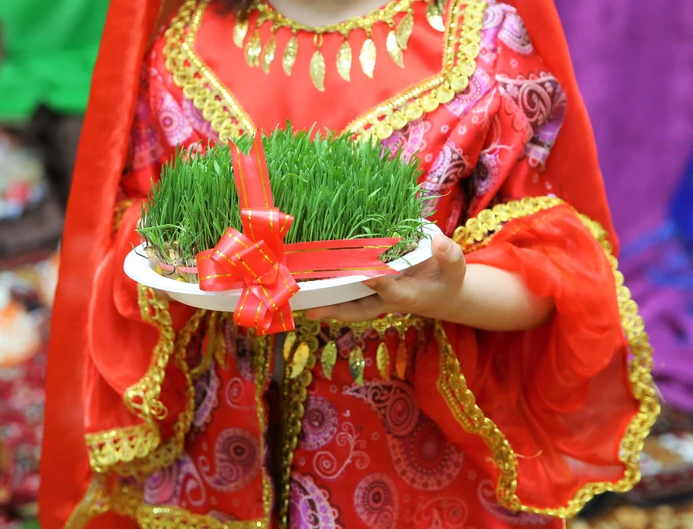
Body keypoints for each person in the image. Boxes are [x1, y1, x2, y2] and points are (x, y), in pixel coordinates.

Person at [39, 0, 659, 527]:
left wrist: (452, 293)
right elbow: (140, 232)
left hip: (410, 456)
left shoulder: (483, 44)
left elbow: (552, 275)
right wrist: (191, 263)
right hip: (218, 436)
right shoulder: (183, 47)